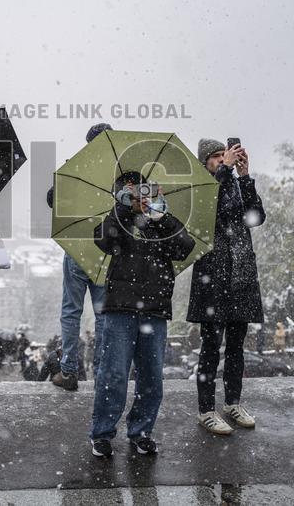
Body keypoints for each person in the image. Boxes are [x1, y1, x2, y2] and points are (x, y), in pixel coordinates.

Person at [89, 171, 196, 458]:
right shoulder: (120, 221)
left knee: (151, 377)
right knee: (113, 374)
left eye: (142, 190)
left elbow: (185, 247)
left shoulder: (160, 222)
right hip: (120, 309)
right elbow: (103, 239)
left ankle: (141, 432)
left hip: (155, 308)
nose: (139, 197)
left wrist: (161, 216)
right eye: (131, 192)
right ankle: (102, 433)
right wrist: (123, 207)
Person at [186, 138, 266, 436]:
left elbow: (256, 217)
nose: (223, 160)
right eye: (216, 157)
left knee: (236, 345)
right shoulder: (201, 186)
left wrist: (244, 178)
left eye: (225, 156)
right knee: (210, 346)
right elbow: (206, 213)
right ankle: (206, 410)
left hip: (241, 271)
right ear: (205, 162)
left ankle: (232, 402)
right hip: (212, 274)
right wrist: (225, 173)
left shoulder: (233, 182)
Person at [47, 123, 113, 391]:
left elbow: (53, 200)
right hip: (106, 251)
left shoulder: (76, 170)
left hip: (78, 248)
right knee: (104, 316)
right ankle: (102, 373)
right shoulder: (119, 174)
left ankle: (69, 372)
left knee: (71, 313)